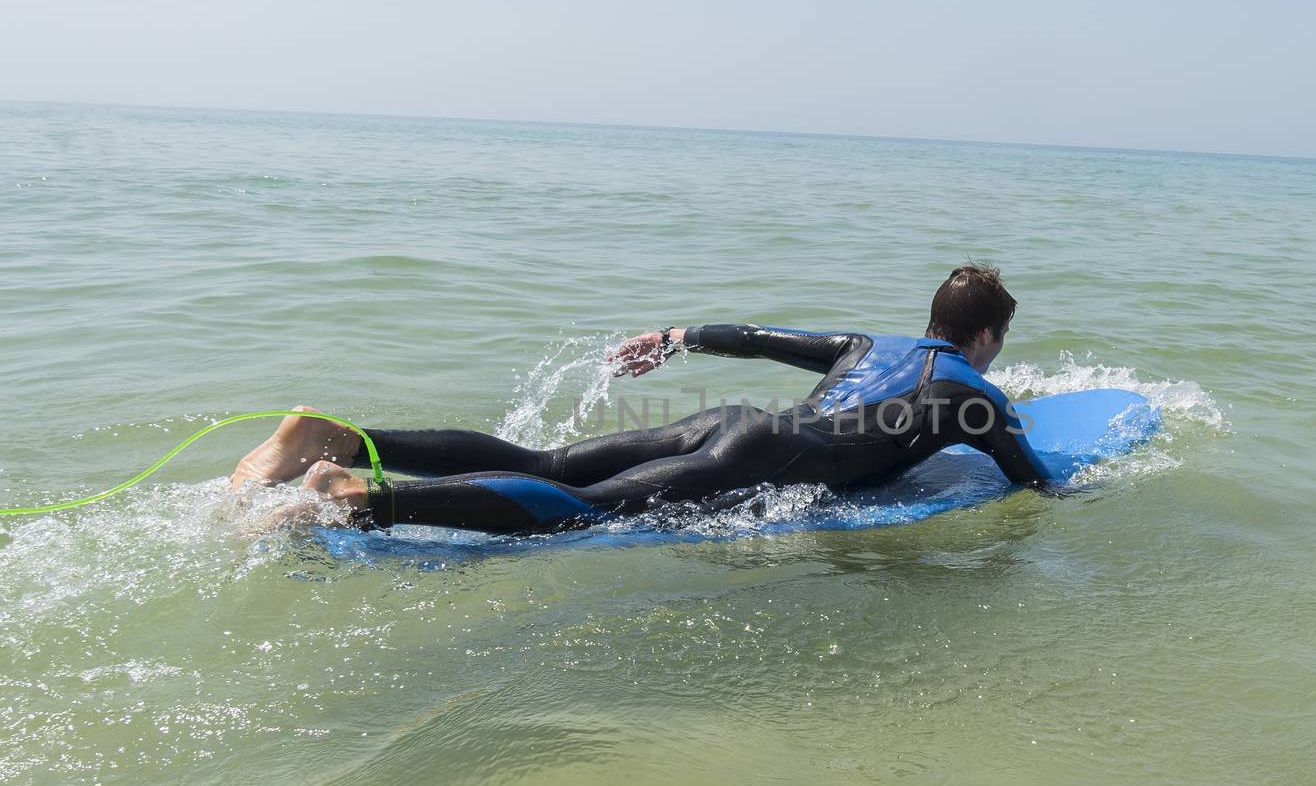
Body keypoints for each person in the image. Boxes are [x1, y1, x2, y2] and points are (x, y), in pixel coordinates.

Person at [232, 264, 1053, 534]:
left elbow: (759, 336)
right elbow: (1032, 477)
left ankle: (337, 436)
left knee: (543, 460)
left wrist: (675, 336)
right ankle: (363, 500)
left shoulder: (871, 344)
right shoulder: (973, 393)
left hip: (734, 419)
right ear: (986, 336)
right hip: (774, 453)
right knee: (579, 508)